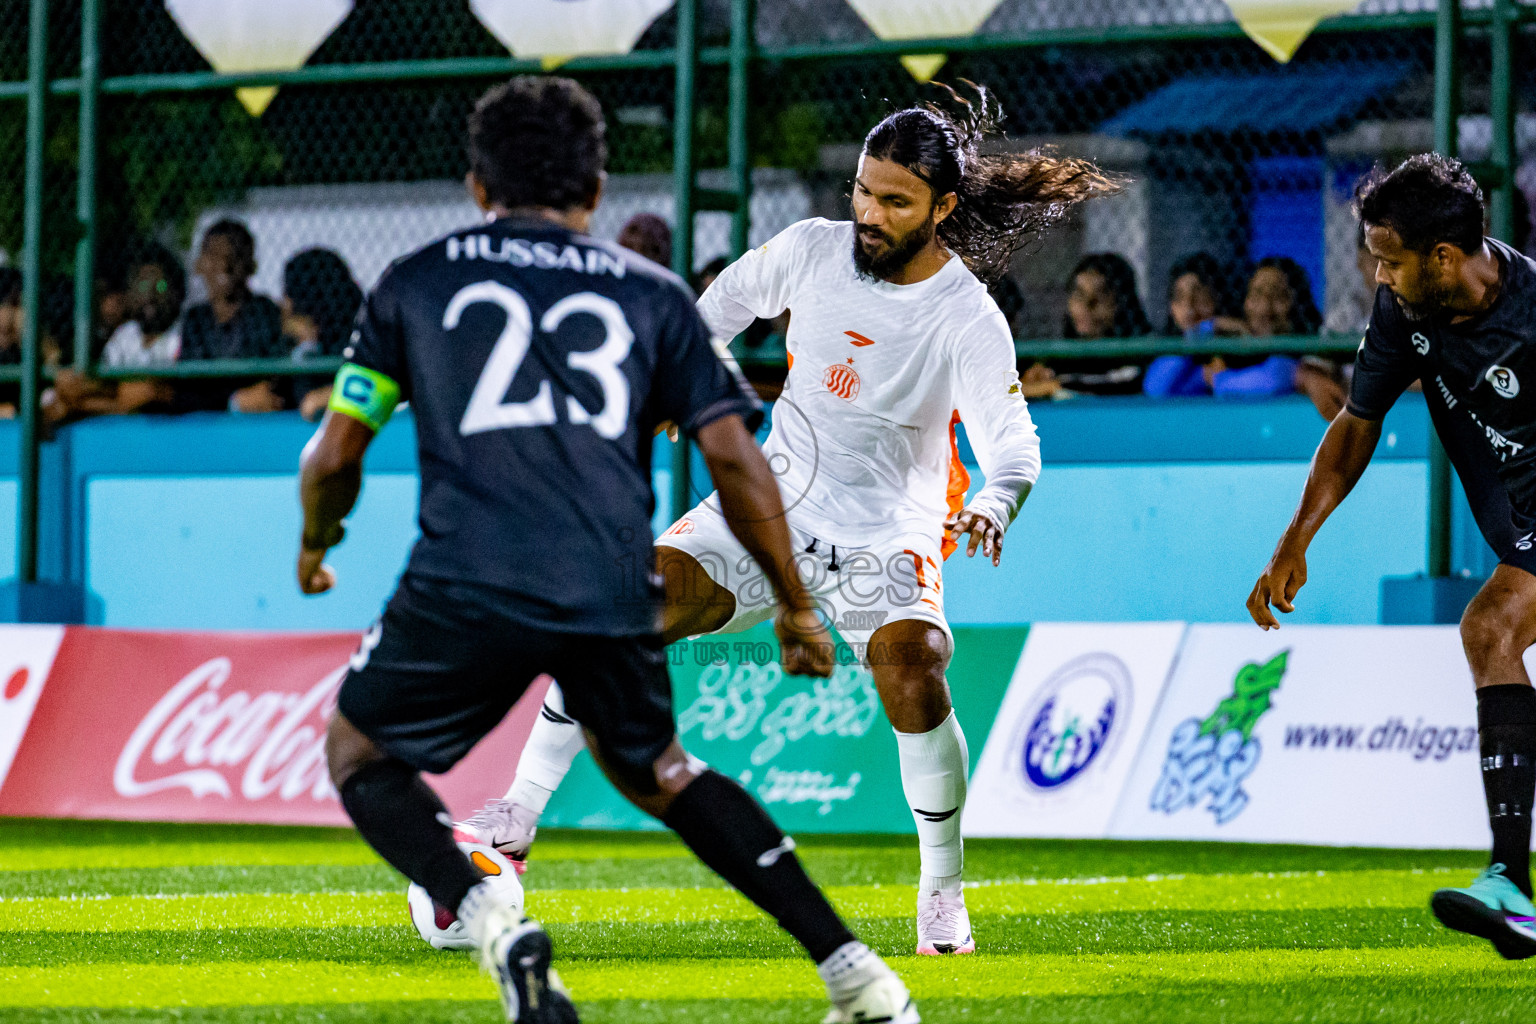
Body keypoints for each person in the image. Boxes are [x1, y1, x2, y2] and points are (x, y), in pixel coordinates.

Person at [443, 81, 1115, 961]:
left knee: (914, 668)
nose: (869, 214)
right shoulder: (810, 250)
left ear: (943, 207)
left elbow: (1013, 443)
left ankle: (943, 893)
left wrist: (993, 500)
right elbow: (702, 318)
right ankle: (516, 819)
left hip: (888, 534)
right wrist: (694, 389)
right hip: (768, 504)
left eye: (895, 201)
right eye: (863, 192)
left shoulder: (967, 317)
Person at [300, 75, 919, 1024]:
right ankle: (858, 977)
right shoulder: (655, 296)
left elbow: (335, 452)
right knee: (665, 772)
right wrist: (794, 605)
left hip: (467, 573)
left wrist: (319, 538)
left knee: (357, 751)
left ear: (476, 186)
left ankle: (492, 915)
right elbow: (737, 459)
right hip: (604, 579)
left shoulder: (413, 280)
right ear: (595, 192)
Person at [1248, 153, 1536, 960]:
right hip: (1521, 521)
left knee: (1490, 629)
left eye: (1388, 257)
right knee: (1492, 634)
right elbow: (1357, 421)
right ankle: (1512, 887)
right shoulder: (1405, 312)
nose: (1378, 272)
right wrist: (1297, 535)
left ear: (1443, 258)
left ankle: (1512, 884)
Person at [50, 243, 184, 420]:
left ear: (176, 292)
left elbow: (152, 392)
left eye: (160, 287)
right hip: (119, 409)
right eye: (142, 286)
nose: (150, 295)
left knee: (143, 392)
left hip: (161, 418)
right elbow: (107, 383)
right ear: (130, 291)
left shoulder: (181, 333)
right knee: (68, 384)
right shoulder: (126, 334)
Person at [178, 219, 286, 413]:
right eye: (214, 256)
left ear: (251, 265)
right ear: (199, 265)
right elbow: (189, 387)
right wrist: (233, 401)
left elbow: (271, 384)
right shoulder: (195, 319)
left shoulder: (264, 313)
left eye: (234, 256)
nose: (224, 265)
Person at [1022, 252, 1148, 398]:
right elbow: (1010, 390)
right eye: (1079, 294)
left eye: (1100, 297)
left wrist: (1054, 387)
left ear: (1122, 304)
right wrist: (1023, 383)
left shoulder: (1137, 358)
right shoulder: (1058, 357)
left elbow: (1111, 388)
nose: (1086, 306)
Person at [279, 248, 363, 420]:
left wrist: (332, 394)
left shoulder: (358, 337)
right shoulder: (281, 341)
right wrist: (307, 344)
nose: (283, 304)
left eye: (288, 294)